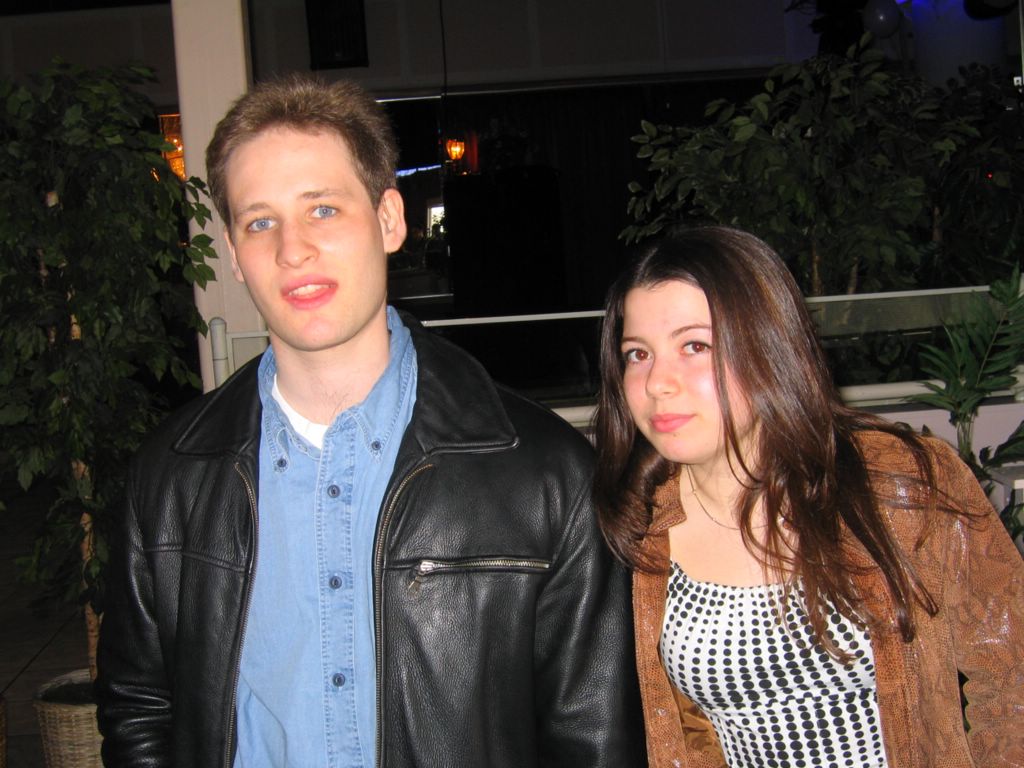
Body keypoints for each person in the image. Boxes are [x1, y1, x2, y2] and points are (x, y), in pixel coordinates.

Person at [95, 75, 644, 767]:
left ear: (389, 219)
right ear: (233, 253)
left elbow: (591, 738)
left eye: (322, 209)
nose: (292, 249)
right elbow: (139, 710)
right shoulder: (168, 478)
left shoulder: (546, 476)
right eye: (260, 222)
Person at [592, 225, 1024, 768]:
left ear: (769, 346)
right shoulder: (636, 525)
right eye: (637, 354)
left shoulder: (901, 484)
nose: (657, 382)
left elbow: (1011, 677)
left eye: (695, 346)